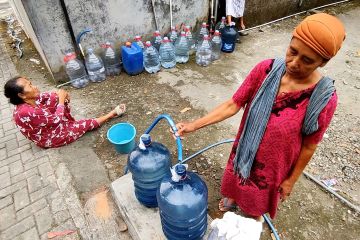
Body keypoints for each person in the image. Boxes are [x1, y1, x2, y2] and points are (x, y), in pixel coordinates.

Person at [175, 13, 345, 219]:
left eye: (307, 61)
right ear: (290, 42)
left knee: (256, 204)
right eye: (292, 51)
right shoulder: (266, 70)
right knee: (236, 180)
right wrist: (194, 125)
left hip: (273, 166)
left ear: (323, 63)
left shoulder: (323, 98)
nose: (293, 63)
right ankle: (234, 197)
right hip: (245, 148)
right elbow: (233, 104)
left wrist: (290, 180)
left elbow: (310, 145)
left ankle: (253, 214)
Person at [4, 76, 126, 148]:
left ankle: (68, 123)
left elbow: (50, 95)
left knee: (55, 97)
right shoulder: (26, 112)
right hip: (48, 137)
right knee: (84, 124)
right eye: (29, 86)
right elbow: (56, 120)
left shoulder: (29, 100)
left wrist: (62, 95)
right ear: (21, 95)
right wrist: (62, 99)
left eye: (31, 83)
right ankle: (111, 114)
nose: (34, 86)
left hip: (47, 122)